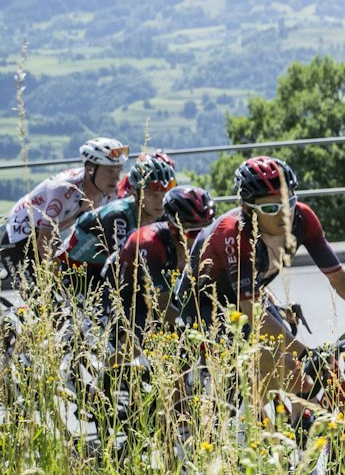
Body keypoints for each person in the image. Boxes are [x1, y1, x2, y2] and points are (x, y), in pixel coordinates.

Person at [174, 156, 345, 410]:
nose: (284, 213)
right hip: (205, 307)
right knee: (293, 370)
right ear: (248, 209)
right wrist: (305, 353)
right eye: (271, 208)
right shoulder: (234, 233)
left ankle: (296, 427)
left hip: (248, 296)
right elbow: (252, 313)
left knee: (304, 379)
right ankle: (246, 426)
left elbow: (340, 278)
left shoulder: (303, 218)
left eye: (288, 202)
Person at [2, 137, 128, 285]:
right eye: (110, 171)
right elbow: (44, 240)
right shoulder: (64, 190)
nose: (116, 178)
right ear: (90, 169)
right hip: (18, 239)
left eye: (119, 170)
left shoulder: (110, 193)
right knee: (41, 296)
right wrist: (59, 279)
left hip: (49, 232)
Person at [57, 151, 179, 285]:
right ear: (136, 192)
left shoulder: (161, 214)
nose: (160, 202)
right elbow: (121, 266)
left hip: (100, 271)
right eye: (153, 195)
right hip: (74, 272)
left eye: (165, 195)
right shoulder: (118, 216)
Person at [112, 185, 214, 335]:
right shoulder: (151, 242)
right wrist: (197, 331)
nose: (203, 238)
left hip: (159, 292)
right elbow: (162, 305)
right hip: (125, 293)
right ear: (173, 229)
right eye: (195, 233)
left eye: (209, 231)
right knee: (135, 340)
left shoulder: (199, 243)